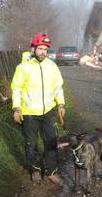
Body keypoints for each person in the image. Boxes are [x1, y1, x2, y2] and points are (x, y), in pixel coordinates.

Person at [11, 33, 65, 185]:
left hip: (48, 111)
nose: (43, 52)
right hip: (29, 113)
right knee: (31, 143)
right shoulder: (23, 67)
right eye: (40, 48)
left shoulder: (52, 66)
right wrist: (17, 108)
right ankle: (35, 169)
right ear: (33, 48)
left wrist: (61, 104)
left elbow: (58, 88)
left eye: (45, 49)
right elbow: (16, 89)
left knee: (51, 141)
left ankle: (52, 171)